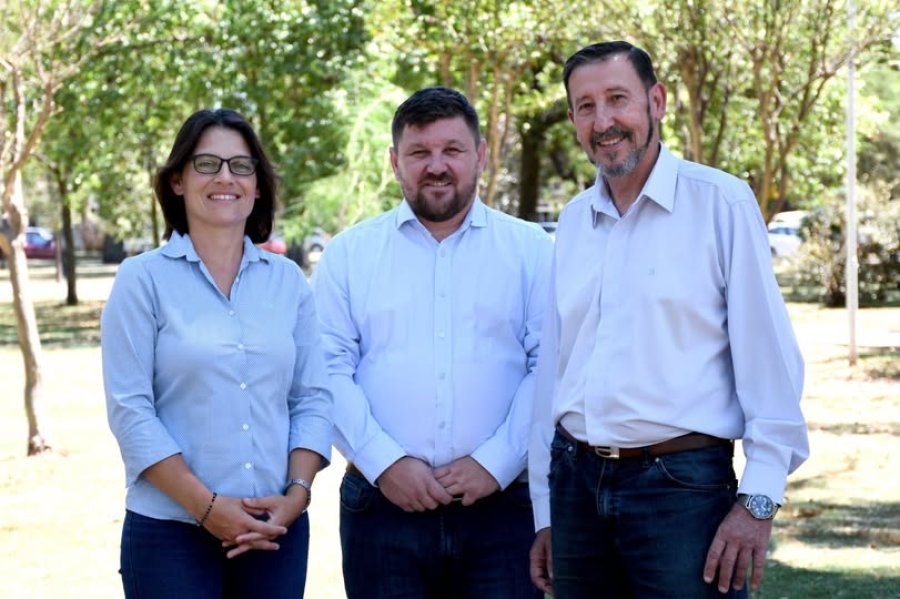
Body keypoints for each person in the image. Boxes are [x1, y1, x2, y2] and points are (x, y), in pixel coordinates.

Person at [528, 41, 809, 598]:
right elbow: (555, 371)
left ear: (656, 101)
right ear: (572, 119)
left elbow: (770, 361)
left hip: (682, 492)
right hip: (576, 488)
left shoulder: (720, 204)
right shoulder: (573, 221)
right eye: (586, 106)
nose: (604, 121)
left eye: (617, 99)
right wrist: (545, 508)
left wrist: (758, 502)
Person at [312, 86, 552, 599]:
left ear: (481, 155)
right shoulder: (349, 255)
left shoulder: (532, 251)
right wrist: (385, 463)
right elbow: (325, 370)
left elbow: (549, 366)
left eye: (452, 150)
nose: (436, 166)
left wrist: (497, 462)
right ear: (394, 161)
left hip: (504, 510)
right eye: (420, 153)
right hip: (381, 509)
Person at [102, 108, 332, 598]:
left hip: (275, 532)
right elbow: (131, 413)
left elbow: (312, 398)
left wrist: (297, 496)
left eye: (240, 166)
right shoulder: (142, 280)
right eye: (207, 164)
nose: (225, 177)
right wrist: (208, 508)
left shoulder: (288, 282)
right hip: (170, 535)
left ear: (258, 184)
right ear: (179, 181)